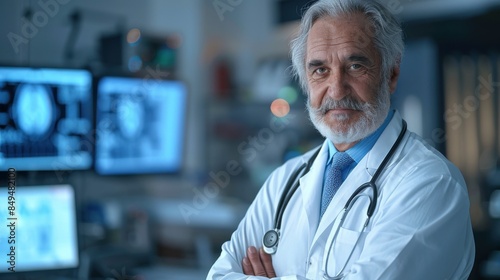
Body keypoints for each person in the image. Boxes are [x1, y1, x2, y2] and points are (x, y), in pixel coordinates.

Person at [207, 0, 475, 279]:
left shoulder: (430, 184)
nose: (336, 90)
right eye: (320, 70)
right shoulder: (283, 181)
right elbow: (218, 275)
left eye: (356, 65)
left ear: (391, 73)